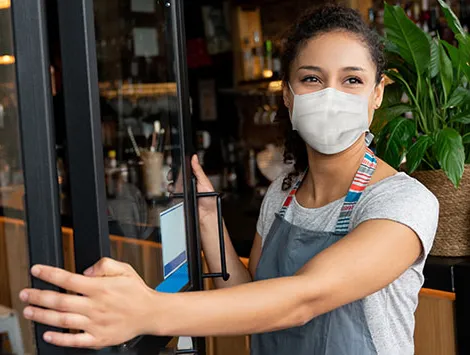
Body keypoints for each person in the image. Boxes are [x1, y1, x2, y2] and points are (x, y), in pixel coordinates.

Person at [18, 5, 438, 354]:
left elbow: (302, 299)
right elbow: (253, 298)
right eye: (312, 78)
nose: (331, 95)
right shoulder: (283, 194)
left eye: (352, 80)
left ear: (377, 94)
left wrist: (148, 310)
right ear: (288, 94)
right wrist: (206, 217)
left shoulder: (402, 202)